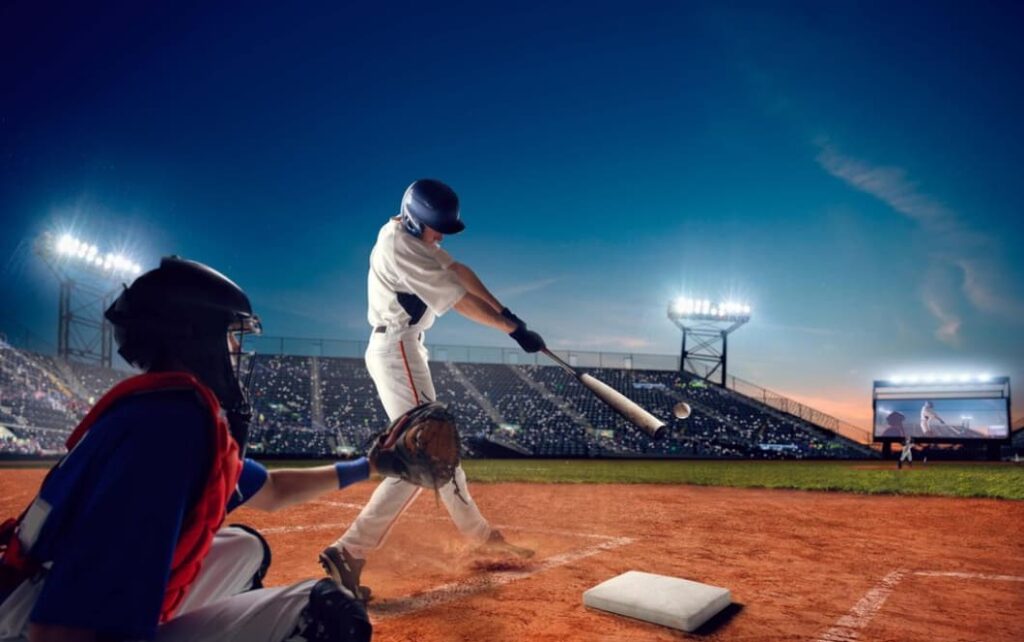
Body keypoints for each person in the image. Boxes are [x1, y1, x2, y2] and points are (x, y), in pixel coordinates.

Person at [0, 257, 372, 642]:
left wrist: (370, 465)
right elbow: (60, 625)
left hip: (28, 598)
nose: (234, 347)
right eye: (228, 334)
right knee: (329, 617)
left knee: (245, 548)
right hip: (35, 626)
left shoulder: (165, 410)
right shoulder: (169, 426)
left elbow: (274, 490)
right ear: (194, 337)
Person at [320, 179, 544, 602]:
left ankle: (481, 538)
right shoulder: (400, 246)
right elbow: (458, 299)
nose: (440, 235)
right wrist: (513, 331)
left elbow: (458, 272)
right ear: (412, 219)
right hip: (396, 348)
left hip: (405, 349)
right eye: (434, 228)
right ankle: (349, 549)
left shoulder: (412, 236)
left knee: (436, 453)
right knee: (422, 454)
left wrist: (506, 312)